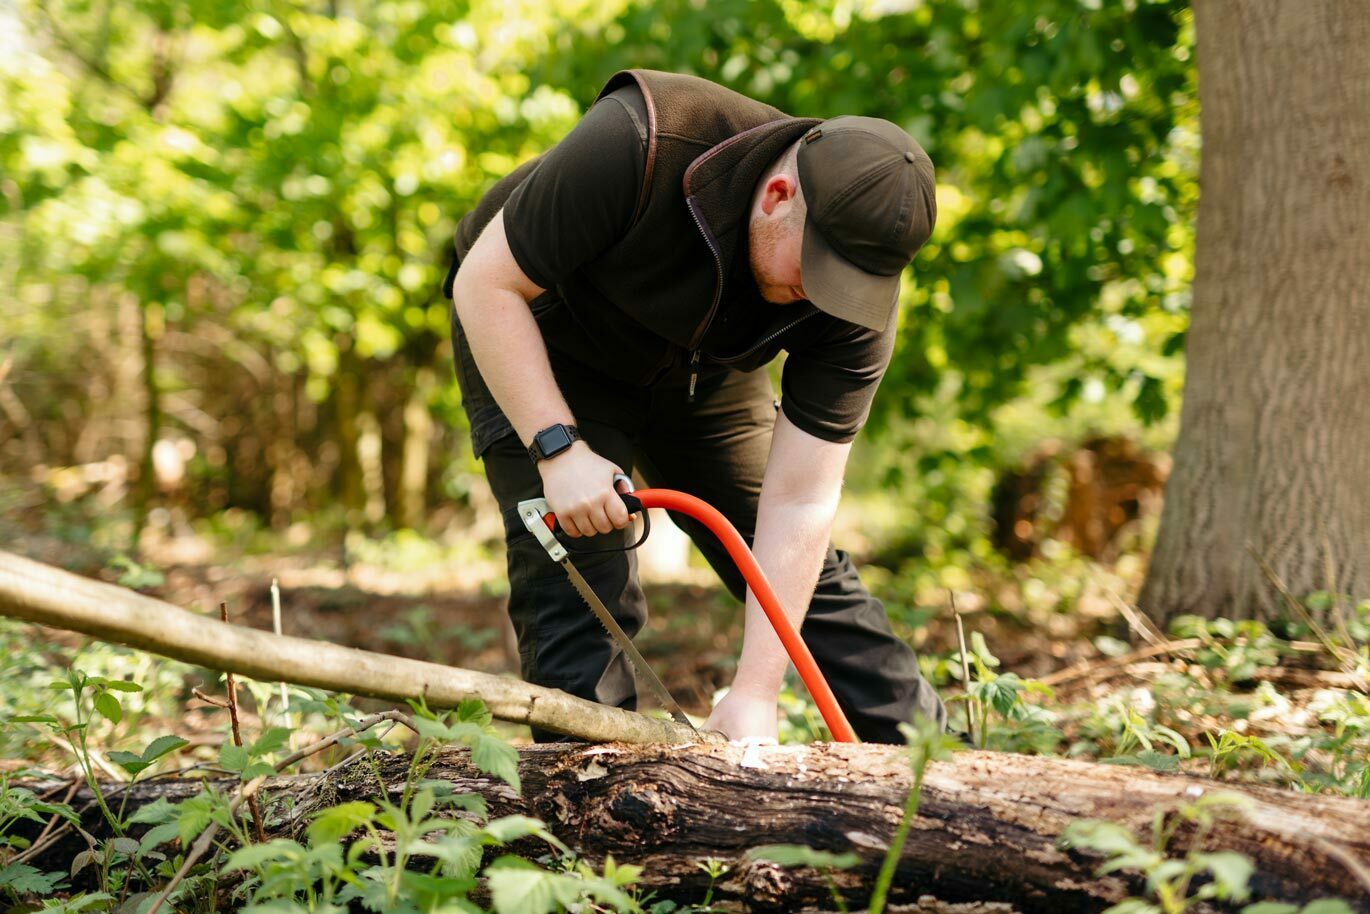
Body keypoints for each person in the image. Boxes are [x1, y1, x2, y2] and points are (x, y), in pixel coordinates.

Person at [443, 69, 944, 743]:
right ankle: (596, 805)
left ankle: (943, 774)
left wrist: (756, 693)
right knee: (580, 580)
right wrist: (557, 449)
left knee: (799, 576)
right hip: (543, 334)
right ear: (776, 195)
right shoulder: (645, 138)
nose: (827, 298)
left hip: (705, 372)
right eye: (816, 271)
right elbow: (485, 283)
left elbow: (800, 502)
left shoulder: (856, 297)